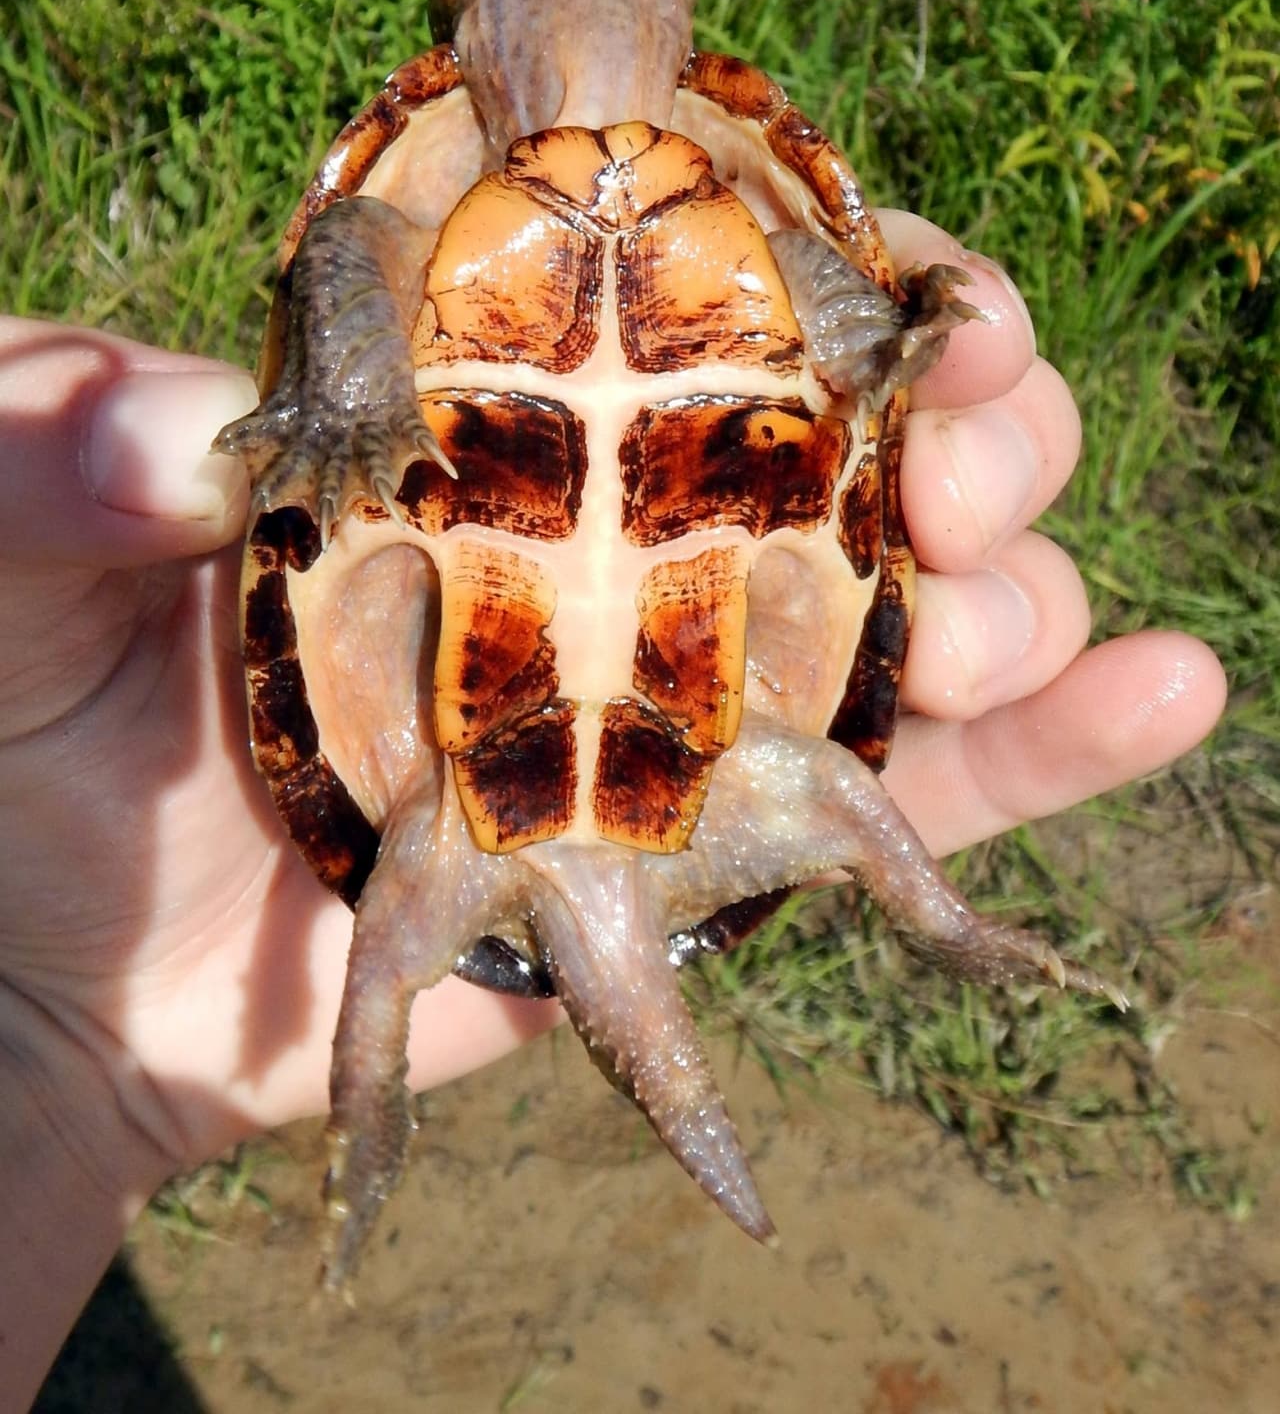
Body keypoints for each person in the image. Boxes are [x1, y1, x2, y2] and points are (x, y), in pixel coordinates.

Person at [0, 210, 1225, 1405]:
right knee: (810, 813)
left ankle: (957, 936)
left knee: (469, 970)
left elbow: (348, 251)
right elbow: (357, 254)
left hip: (510, 775)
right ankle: (955, 938)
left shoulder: (439, 215)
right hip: (591, 761)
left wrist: (65, 1053)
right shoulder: (690, 212)